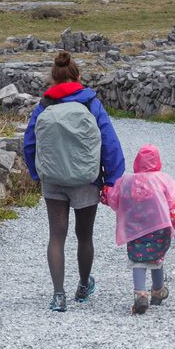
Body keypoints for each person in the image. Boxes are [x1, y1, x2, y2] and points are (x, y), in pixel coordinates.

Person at [21, 51, 125, 311]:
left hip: (53, 179)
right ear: (78, 76)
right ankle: (82, 286)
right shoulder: (91, 103)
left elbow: (30, 141)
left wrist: (37, 173)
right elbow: (109, 141)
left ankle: (58, 295)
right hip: (86, 179)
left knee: (56, 236)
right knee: (84, 236)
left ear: (53, 80)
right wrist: (112, 178)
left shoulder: (45, 105)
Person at [104, 145, 175, 315]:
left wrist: (103, 193)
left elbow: (113, 197)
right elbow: (174, 208)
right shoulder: (162, 180)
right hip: (160, 229)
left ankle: (140, 295)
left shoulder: (128, 182)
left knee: (138, 260)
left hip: (135, 230)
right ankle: (158, 290)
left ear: (137, 162)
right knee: (156, 258)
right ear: (158, 162)